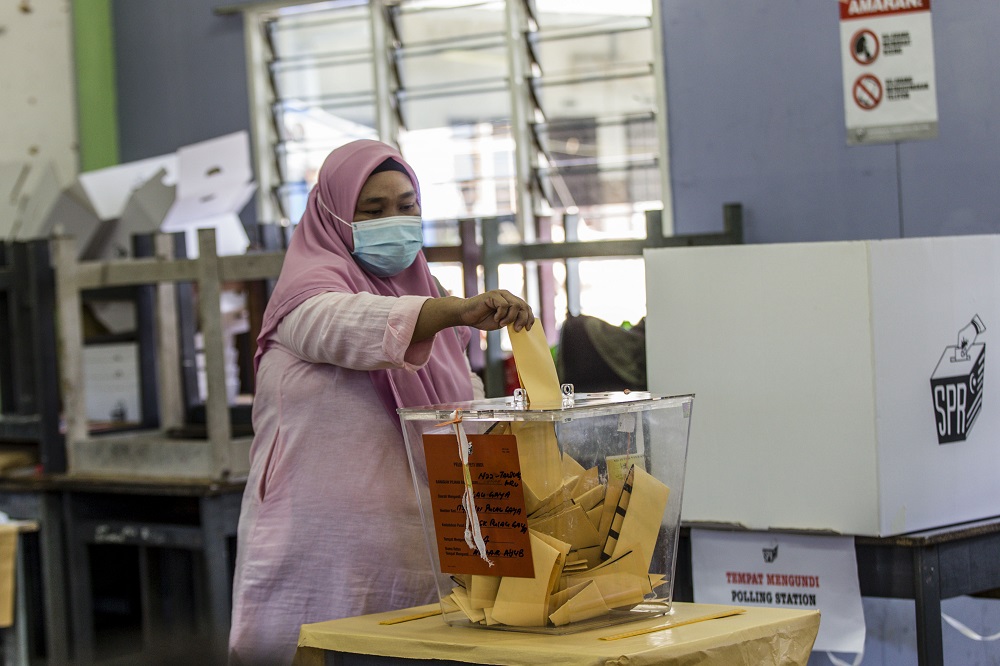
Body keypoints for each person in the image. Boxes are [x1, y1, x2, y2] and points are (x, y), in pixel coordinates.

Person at [228, 139, 534, 665]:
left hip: (421, 546)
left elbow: (462, 398)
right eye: (372, 211)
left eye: (406, 205)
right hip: (323, 549)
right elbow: (352, 327)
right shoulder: (304, 299)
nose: (394, 220)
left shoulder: (427, 294)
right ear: (333, 215)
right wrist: (455, 310)